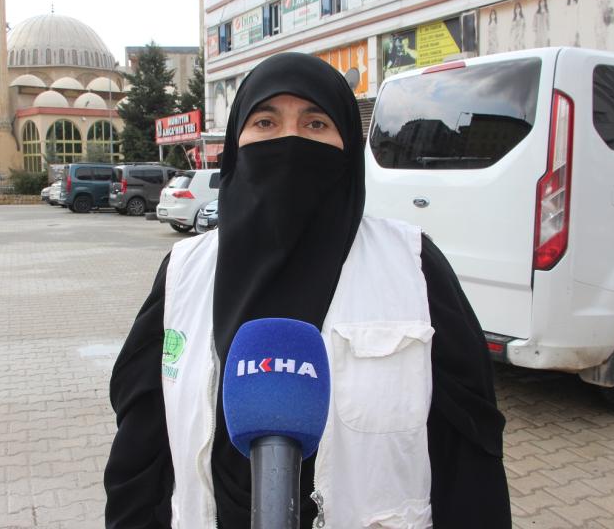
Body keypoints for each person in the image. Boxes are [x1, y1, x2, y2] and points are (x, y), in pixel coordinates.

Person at [103, 52, 511, 528]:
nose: (290, 140)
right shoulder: (183, 272)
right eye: (265, 122)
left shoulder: (413, 265)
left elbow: (470, 456)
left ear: (348, 145)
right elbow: (141, 452)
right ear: (236, 143)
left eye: (316, 124)